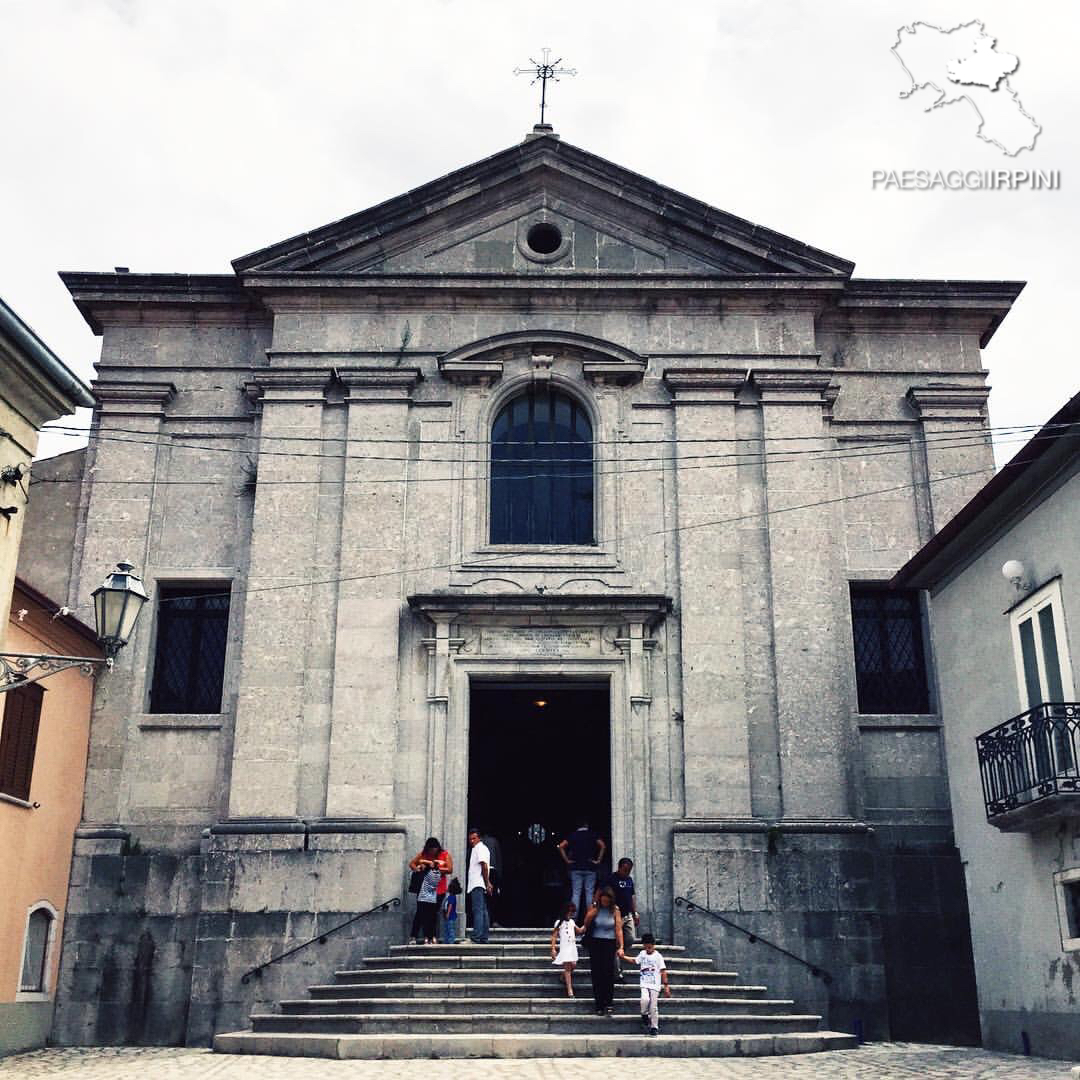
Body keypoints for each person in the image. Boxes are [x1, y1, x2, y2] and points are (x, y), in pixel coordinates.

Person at [580, 885, 623, 1015]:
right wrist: (593, 911)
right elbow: (586, 923)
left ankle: (608, 1003)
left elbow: (618, 928)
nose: (605, 902)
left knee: (608, 973)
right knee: (597, 973)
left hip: (609, 943)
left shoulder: (615, 910)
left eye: (607, 900)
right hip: (595, 942)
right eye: (603, 900)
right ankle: (599, 1004)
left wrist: (620, 946)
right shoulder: (595, 909)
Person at [622, 932, 670, 1037]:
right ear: (644, 946)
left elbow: (663, 971)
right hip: (644, 983)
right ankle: (644, 1014)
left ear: (654, 945)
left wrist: (666, 986)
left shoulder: (658, 956)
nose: (649, 949)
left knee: (653, 1007)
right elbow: (635, 961)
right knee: (644, 1000)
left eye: (650, 946)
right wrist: (623, 957)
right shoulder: (642, 954)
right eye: (646, 947)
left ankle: (654, 1027)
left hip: (655, 985)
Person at [599, 857, 639, 976]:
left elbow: (631, 897)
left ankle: (618, 954)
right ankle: (617, 973)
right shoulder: (611, 878)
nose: (627, 872)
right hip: (614, 915)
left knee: (630, 938)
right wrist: (596, 906)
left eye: (629, 870)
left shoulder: (629, 880)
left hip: (627, 915)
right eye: (625, 869)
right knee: (616, 942)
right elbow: (600, 892)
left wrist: (635, 913)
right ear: (619, 867)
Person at [559, 819, 605, 919]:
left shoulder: (573, 835)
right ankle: (590, 917)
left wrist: (567, 860)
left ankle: (573, 918)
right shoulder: (592, 834)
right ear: (587, 825)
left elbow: (561, 846)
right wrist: (598, 860)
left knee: (576, 893)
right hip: (590, 867)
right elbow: (603, 846)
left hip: (576, 867)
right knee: (589, 893)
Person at [408, 837, 450, 944]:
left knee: (433, 913)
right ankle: (420, 936)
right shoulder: (423, 854)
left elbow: (450, 869)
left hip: (439, 888)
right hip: (424, 888)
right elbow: (412, 864)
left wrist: (436, 868)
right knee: (421, 912)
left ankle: (432, 936)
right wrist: (419, 868)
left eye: (435, 849)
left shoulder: (444, 854)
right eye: (431, 849)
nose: (433, 851)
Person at [466, 827, 493, 944]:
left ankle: (477, 936)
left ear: (479, 838)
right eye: (470, 839)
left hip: (478, 883)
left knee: (478, 910)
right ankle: (483, 936)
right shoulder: (482, 848)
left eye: (474, 838)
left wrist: (487, 883)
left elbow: (484, 866)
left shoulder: (479, 848)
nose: (472, 841)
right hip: (480, 883)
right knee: (483, 910)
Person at [549, 901, 582, 998]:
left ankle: (563, 976)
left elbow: (579, 930)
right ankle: (570, 990)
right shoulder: (559, 922)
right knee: (568, 968)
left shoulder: (572, 922)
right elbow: (554, 936)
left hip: (572, 947)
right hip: (565, 947)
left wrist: (587, 923)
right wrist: (553, 948)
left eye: (573, 912)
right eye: (570, 911)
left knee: (573, 965)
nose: (572, 914)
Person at [442, 877, 462, 944]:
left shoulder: (451, 896)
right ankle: (447, 941)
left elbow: (450, 905)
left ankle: (450, 942)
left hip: (450, 917)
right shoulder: (450, 896)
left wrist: (447, 913)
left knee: (450, 929)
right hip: (449, 916)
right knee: (447, 929)